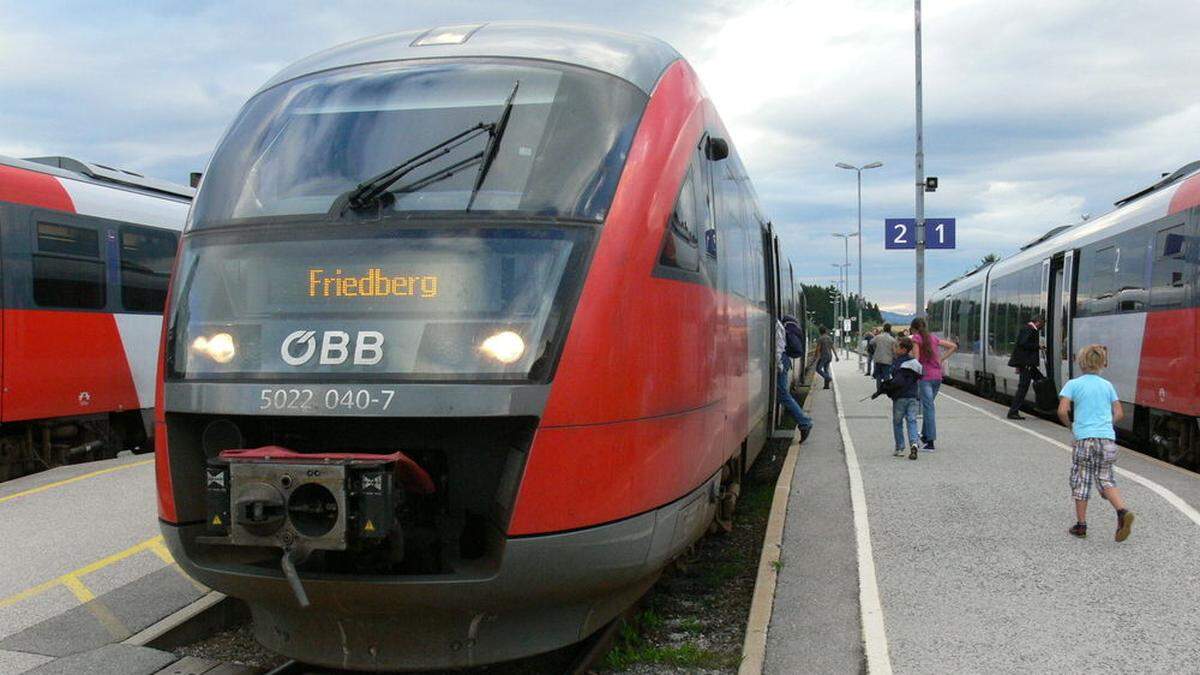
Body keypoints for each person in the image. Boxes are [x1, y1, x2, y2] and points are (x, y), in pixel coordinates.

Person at [1057, 344, 1134, 541]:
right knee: (1105, 478)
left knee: (1081, 479)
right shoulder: (1107, 386)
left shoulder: (1073, 384)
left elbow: (1062, 411)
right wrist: (1106, 424)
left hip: (1084, 439)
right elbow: (1119, 413)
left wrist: (1072, 427)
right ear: (1103, 364)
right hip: (1107, 439)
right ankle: (1122, 511)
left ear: (1080, 362)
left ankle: (1081, 526)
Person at [871, 336, 923, 460]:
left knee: (898, 422)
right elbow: (920, 375)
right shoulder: (915, 363)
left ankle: (900, 447)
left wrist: (883, 389)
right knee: (912, 420)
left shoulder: (898, 363)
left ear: (903, 349)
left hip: (900, 398)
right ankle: (914, 443)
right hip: (913, 397)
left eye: (897, 347)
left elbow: (896, 382)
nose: (894, 349)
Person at [909, 317, 957, 451]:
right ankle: (925, 436)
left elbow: (916, 360)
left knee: (928, 409)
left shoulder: (916, 339)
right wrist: (940, 359)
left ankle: (930, 442)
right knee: (928, 407)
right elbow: (953, 346)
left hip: (925, 377)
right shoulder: (933, 338)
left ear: (914, 328)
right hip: (937, 377)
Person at [776, 318, 813, 442]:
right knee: (782, 394)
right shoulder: (780, 325)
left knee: (782, 395)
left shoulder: (776, 325)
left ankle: (804, 422)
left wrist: (779, 364)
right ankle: (804, 422)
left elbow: (778, 347)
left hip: (781, 361)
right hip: (783, 360)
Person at [1007, 315, 1046, 420]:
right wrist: (1038, 346)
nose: (1043, 326)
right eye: (1042, 323)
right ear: (1038, 322)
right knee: (1023, 388)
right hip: (1027, 364)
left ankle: (1044, 405)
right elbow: (1023, 344)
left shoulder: (1027, 329)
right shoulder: (1030, 329)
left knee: (1042, 381)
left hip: (1027, 364)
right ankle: (1013, 412)